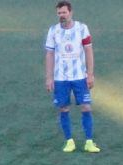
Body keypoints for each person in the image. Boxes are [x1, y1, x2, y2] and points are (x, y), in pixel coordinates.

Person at [44, 1, 100, 153]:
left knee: (86, 106)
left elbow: (88, 51)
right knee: (63, 108)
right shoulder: (53, 31)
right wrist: (49, 77)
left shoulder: (82, 28)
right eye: (59, 13)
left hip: (79, 77)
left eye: (64, 12)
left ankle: (89, 141)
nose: (61, 16)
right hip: (60, 78)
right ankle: (69, 141)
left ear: (70, 12)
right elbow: (49, 54)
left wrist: (90, 74)